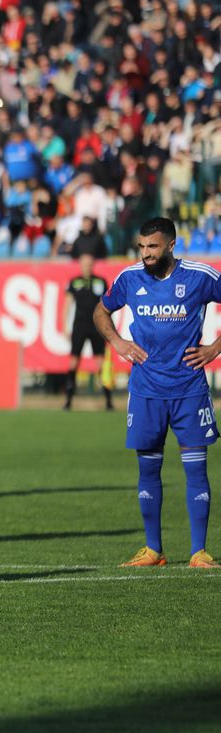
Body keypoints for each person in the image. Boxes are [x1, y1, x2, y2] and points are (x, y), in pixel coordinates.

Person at [93, 217, 221, 569]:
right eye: (142, 246)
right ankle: (153, 550)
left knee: (196, 470)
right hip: (146, 391)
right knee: (148, 470)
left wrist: (214, 348)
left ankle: (198, 552)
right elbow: (101, 311)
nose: (146, 253)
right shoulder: (130, 278)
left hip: (189, 390)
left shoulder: (199, 276)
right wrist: (118, 342)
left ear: (171, 245)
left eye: (153, 246)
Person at [64, 252, 114, 411]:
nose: (87, 266)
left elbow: (106, 305)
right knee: (74, 361)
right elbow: (67, 304)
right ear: (80, 265)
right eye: (84, 264)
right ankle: (68, 400)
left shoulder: (100, 281)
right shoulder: (74, 281)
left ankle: (108, 400)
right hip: (79, 325)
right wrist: (65, 325)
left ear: (93, 265)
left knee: (100, 362)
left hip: (96, 326)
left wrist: (108, 326)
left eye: (90, 264)